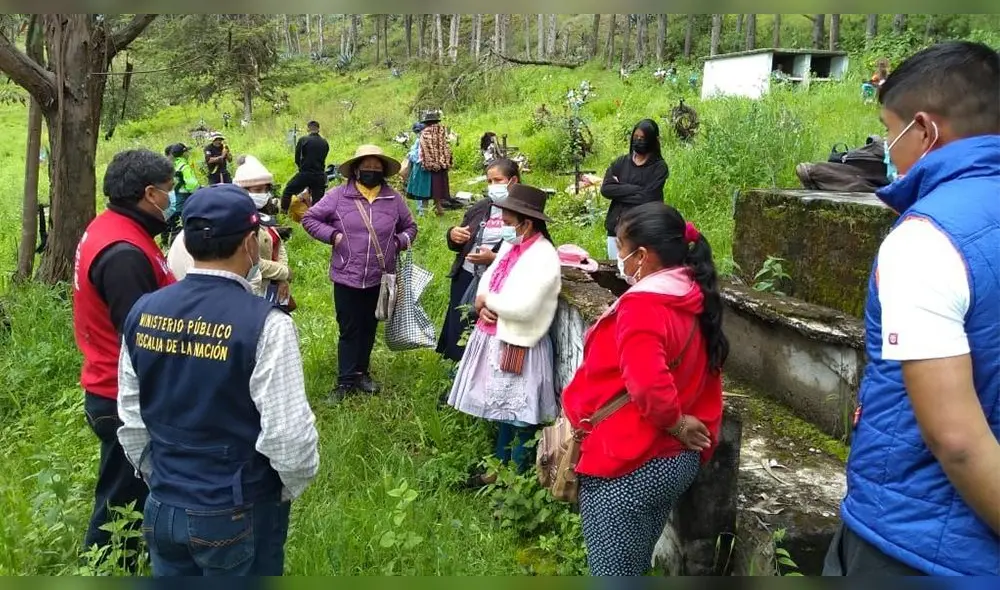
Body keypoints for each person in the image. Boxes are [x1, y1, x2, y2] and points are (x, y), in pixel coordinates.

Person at [824, 41, 1000, 577]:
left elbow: (956, 439)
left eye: (888, 130)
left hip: (918, 545)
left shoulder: (927, 239)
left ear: (923, 130)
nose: (886, 150)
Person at [118, 184, 319, 576]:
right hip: (238, 509)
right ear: (249, 243)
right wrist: (280, 492)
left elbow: (132, 418)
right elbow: (289, 438)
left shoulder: (143, 310)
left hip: (163, 508)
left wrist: (164, 479)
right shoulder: (266, 324)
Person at [560, 202, 727, 576]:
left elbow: (649, 385)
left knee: (613, 573)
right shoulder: (691, 291)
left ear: (642, 255)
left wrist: (675, 421)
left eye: (620, 248)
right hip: (672, 462)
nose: (617, 257)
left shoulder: (645, 306)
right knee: (632, 565)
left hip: (631, 460)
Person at [71, 149, 178, 569]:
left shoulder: (110, 226)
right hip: (123, 398)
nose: (171, 200)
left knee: (124, 492)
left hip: (108, 385)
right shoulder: (123, 253)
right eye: (168, 192)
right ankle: (102, 567)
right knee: (120, 506)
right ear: (149, 193)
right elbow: (141, 339)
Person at [447, 184, 561, 487]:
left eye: (510, 224)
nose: (506, 229)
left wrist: (489, 303)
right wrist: (481, 302)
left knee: (521, 413)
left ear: (527, 223)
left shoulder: (543, 256)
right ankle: (500, 470)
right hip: (500, 336)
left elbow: (526, 307)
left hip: (522, 342)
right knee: (503, 410)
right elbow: (489, 280)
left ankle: (516, 479)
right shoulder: (513, 247)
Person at [301, 145, 418, 401]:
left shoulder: (393, 199)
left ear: (384, 171)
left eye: (376, 168)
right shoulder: (338, 195)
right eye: (366, 167)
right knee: (349, 329)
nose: (371, 171)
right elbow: (309, 219)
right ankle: (345, 382)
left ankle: (362, 374)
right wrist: (334, 236)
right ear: (356, 169)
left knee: (369, 326)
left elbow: (411, 227)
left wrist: (398, 243)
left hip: (381, 276)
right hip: (346, 275)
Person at [168, 156, 292, 305]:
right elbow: (249, 262)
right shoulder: (226, 229)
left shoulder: (259, 217)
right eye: (258, 190)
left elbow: (276, 244)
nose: (263, 194)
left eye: (266, 190)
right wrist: (283, 272)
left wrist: (281, 277)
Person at [438, 158, 520, 368]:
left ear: (513, 181)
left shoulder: (523, 211)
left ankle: (481, 373)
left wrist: (494, 259)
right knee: (460, 325)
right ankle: (456, 375)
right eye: (489, 181)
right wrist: (453, 235)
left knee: (487, 327)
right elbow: (461, 239)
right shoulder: (481, 207)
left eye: (498, 180)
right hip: (467, 275)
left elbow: (529, 249)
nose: (493, 186)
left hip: (499, 281)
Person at [600, 119, 669, 259]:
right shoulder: (621, 163)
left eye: (642, 138)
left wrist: (619, 190)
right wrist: (637, 189)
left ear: (652, 140)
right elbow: (606, 189)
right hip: (616, 229)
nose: (638, 141)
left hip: (642, 231)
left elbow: (648, 198)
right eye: (636, 137)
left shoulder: (659, 168)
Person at [281, 120, 330, 212]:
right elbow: (324, 157)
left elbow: (297, 158)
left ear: (308, 129)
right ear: (318, 129)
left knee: (288, 191)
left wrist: (302, 169)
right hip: (319, 175)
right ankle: (317, 218)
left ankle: (283, 213)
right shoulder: (324, 142)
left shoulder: (303, 140)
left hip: (305, 173)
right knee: (318, 201)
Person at [417, 109, 454, 216]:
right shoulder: (443, 132)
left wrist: (427, 163)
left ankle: (424, 211)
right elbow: (448, 148)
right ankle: (439, 208)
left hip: (429, 166)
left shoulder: (425, 133)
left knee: (426, 189)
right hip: (442, 165)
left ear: (427, 123)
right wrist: (447, 162)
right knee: (438, 189)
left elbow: (423, 150)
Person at [162, 143, 200, 247]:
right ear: (183, 153)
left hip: (172, 197)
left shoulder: (171, 165)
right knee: (180, 225)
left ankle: (166, 244)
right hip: (183, 198)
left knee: (171, 222)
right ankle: (176, 247)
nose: (188, 153)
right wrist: (200, 190)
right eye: (187, 151)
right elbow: (192, 184)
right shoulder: (184, 166)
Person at [405, 121, 432, 216]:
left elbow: (418, 155)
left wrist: (409, 155)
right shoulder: (424, 138)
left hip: (421, 166)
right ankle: (421, 209)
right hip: (422, 166)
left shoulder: (422, 139)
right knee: (420, 188)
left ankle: (422, 211)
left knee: (421, 189)